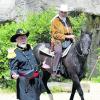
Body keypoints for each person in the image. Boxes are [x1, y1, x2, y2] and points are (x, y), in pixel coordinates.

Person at [7, 29, 45, 100]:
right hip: (24, 82)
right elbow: (13, 68)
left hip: (35, 81)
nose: (23, 39)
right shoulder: (14, 53)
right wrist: (13, 74)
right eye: (21, 38)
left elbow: (36, 62)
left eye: (24, 37)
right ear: (16, 40)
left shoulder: (32, 49)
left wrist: (42, 65)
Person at [50, 4, 75, 77]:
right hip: (58, 40)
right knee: (58, 52)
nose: (64, 14)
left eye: (65, 12)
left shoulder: (67, 19)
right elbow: (54, 34)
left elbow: (70, 30)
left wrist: (72, 36)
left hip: (69, 39)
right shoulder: (55, 21)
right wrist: (67, 36)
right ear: (59, 12)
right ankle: (54, 70)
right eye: (62, 12)